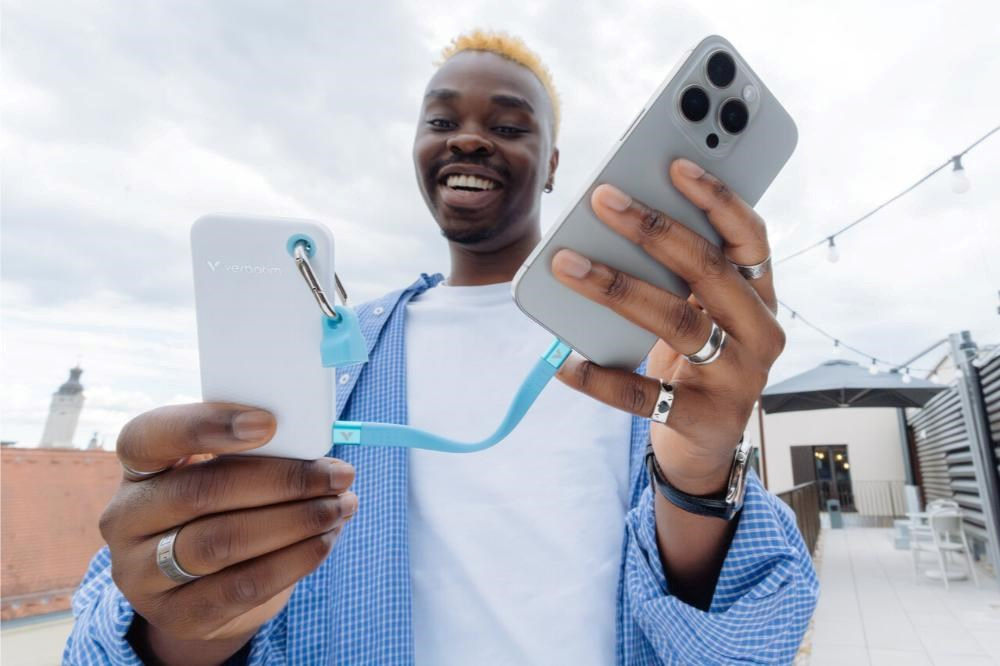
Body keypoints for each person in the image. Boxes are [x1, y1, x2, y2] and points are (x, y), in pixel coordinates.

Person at [65, 30, 818, 665]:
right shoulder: (337, 353)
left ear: (554, 165)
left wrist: (697, 477)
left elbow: (750, 631)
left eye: (510, 126)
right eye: (441, 120)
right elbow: (169, 628)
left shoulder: (649, 354)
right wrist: (178, 622)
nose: (468, 138)